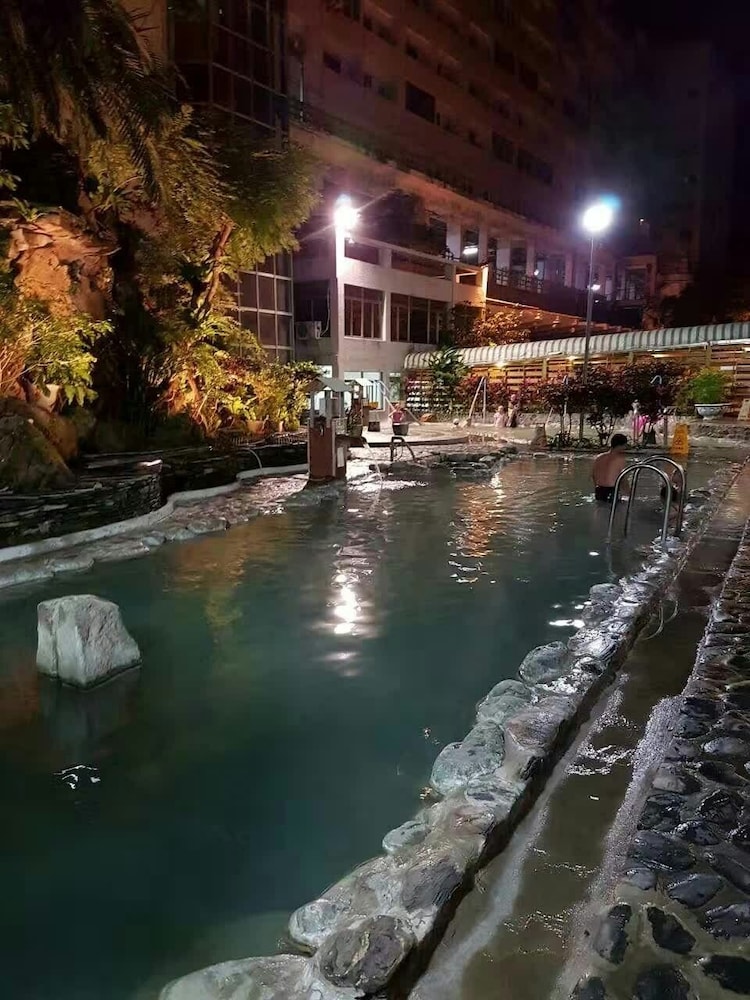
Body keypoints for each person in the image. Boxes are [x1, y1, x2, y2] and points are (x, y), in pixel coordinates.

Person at [592, 433, 628, 502]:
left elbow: (593, 475)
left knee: (601, 506)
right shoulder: (620, 460)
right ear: (620, 446)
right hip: (612, 491)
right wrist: (629, 493)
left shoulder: (598, 458)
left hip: (599, 490)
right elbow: (623, 479)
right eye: (625, 445)